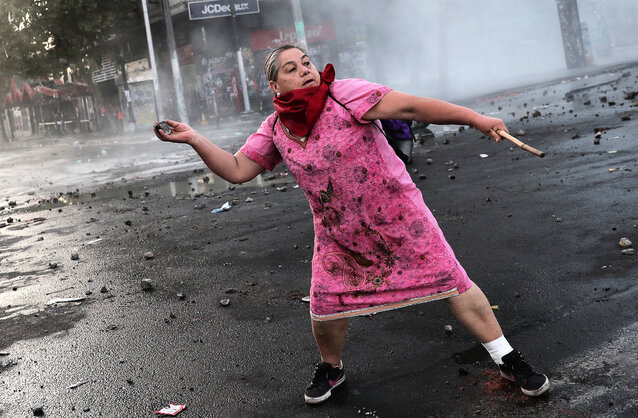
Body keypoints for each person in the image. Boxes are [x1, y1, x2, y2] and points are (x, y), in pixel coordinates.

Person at [153, 44, 550, 405]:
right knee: (325, 307)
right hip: (339, 235)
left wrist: (475, 119)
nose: (306, 70)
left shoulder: (347, 95)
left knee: (452, 281)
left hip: (399, 219)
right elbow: (239, 170)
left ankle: (507, 358)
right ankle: (332, 369)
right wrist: (194, 139)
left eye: (306, 62)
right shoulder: (276, 128)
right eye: (292, 68)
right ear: (274, 85)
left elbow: (412, 108)